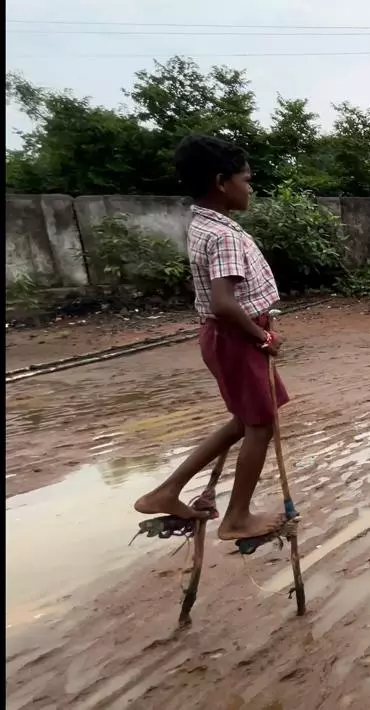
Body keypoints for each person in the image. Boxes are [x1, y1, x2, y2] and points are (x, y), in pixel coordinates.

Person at [133, 134, 286, 541]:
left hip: (225, 336)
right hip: (237, 337)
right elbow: (223, 303)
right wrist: (262, 337)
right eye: (246, 179)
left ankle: (167, 490)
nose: (249, 188)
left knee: (245, 420)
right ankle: (237, 518)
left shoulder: (203, 223)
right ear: (221, 182)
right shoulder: (225, 235)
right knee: (260, 424)